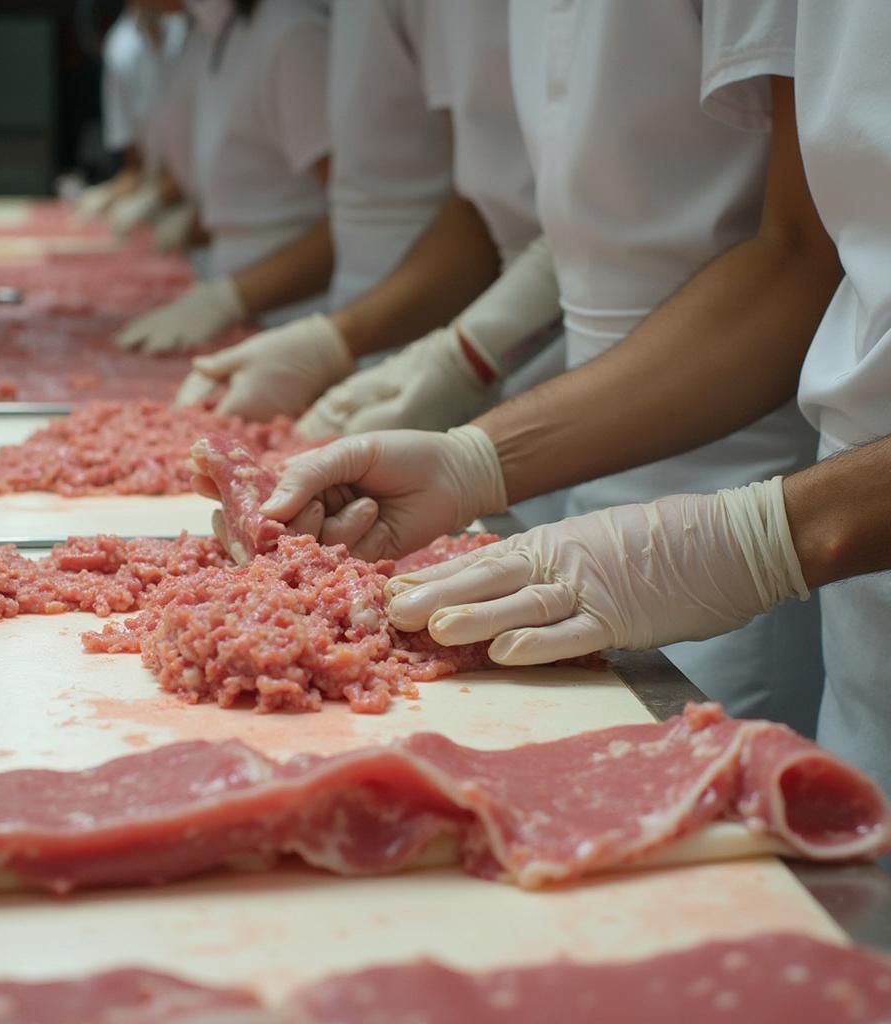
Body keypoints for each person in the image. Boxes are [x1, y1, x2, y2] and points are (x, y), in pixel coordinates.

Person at [194, 3, 842, 736]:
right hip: (583, 463)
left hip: (752, 483)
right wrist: (474, 457)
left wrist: (756, 539)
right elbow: (544, 219)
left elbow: (799, 255)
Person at [175, 0, 560, 426]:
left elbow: (500, 210)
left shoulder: (294, 30)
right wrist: (333, 341)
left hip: (472, 327)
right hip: (406, 331)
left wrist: (460, 358)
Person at [115, 0, 332, 353]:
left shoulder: (292, 33)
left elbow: (353, 218)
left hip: (298, 327)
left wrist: (228, 299)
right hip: (248, 318)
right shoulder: (215, 32)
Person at [76, 3, 187, 222]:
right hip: (168, 205)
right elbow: (135, 166)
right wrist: (110, 196)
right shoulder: (120, 49)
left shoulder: (197, 30)